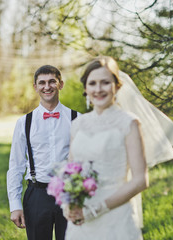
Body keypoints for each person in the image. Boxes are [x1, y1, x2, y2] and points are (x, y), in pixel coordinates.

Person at [64, 56, 149, 240]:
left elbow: (141, 180)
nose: (98, 89)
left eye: (105, 82)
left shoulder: (129, 123)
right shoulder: (78, 124)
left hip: (115, 216)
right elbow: (71, 171)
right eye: (92, 83)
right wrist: (68, 205)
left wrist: (97, 209)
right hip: (81, 220)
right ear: (86, 89)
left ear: (116, 86)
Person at [7, 65, 79, 240]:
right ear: (35, 87)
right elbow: (16, 165)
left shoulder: (77, 119)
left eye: (52, 81)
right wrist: (15, 204)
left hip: (69, 194)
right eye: (42, 83)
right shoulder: (24, 122)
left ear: (60, 84)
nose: (47, 87)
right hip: (37, 194)